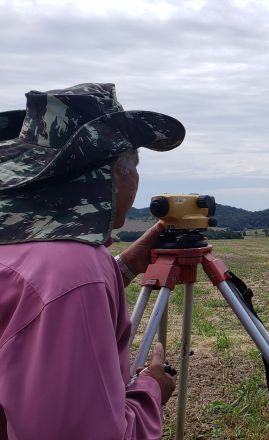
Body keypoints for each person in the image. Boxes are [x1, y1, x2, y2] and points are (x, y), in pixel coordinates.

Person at [0, 84, 186, 439]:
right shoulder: (70, 271)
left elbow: (29, 308)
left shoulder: (25, 247)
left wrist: (125, 265)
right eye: (134, 165)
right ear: (117, 171)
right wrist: (151, 391)